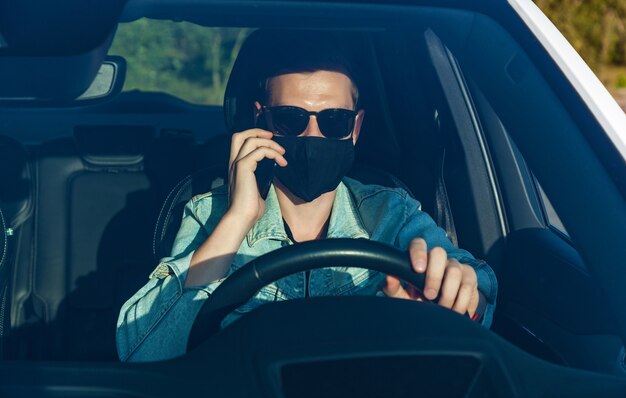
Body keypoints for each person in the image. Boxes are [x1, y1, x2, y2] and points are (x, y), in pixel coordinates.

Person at [116, 31, 497, 362]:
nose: (313, 136)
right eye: (291, 119)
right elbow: (142, 351)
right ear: (261, 120)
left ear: (356, 127)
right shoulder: (209, 213)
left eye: (334, 121)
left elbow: (476, 294)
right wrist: (238, 219)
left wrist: (458, 293)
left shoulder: (391, 213)